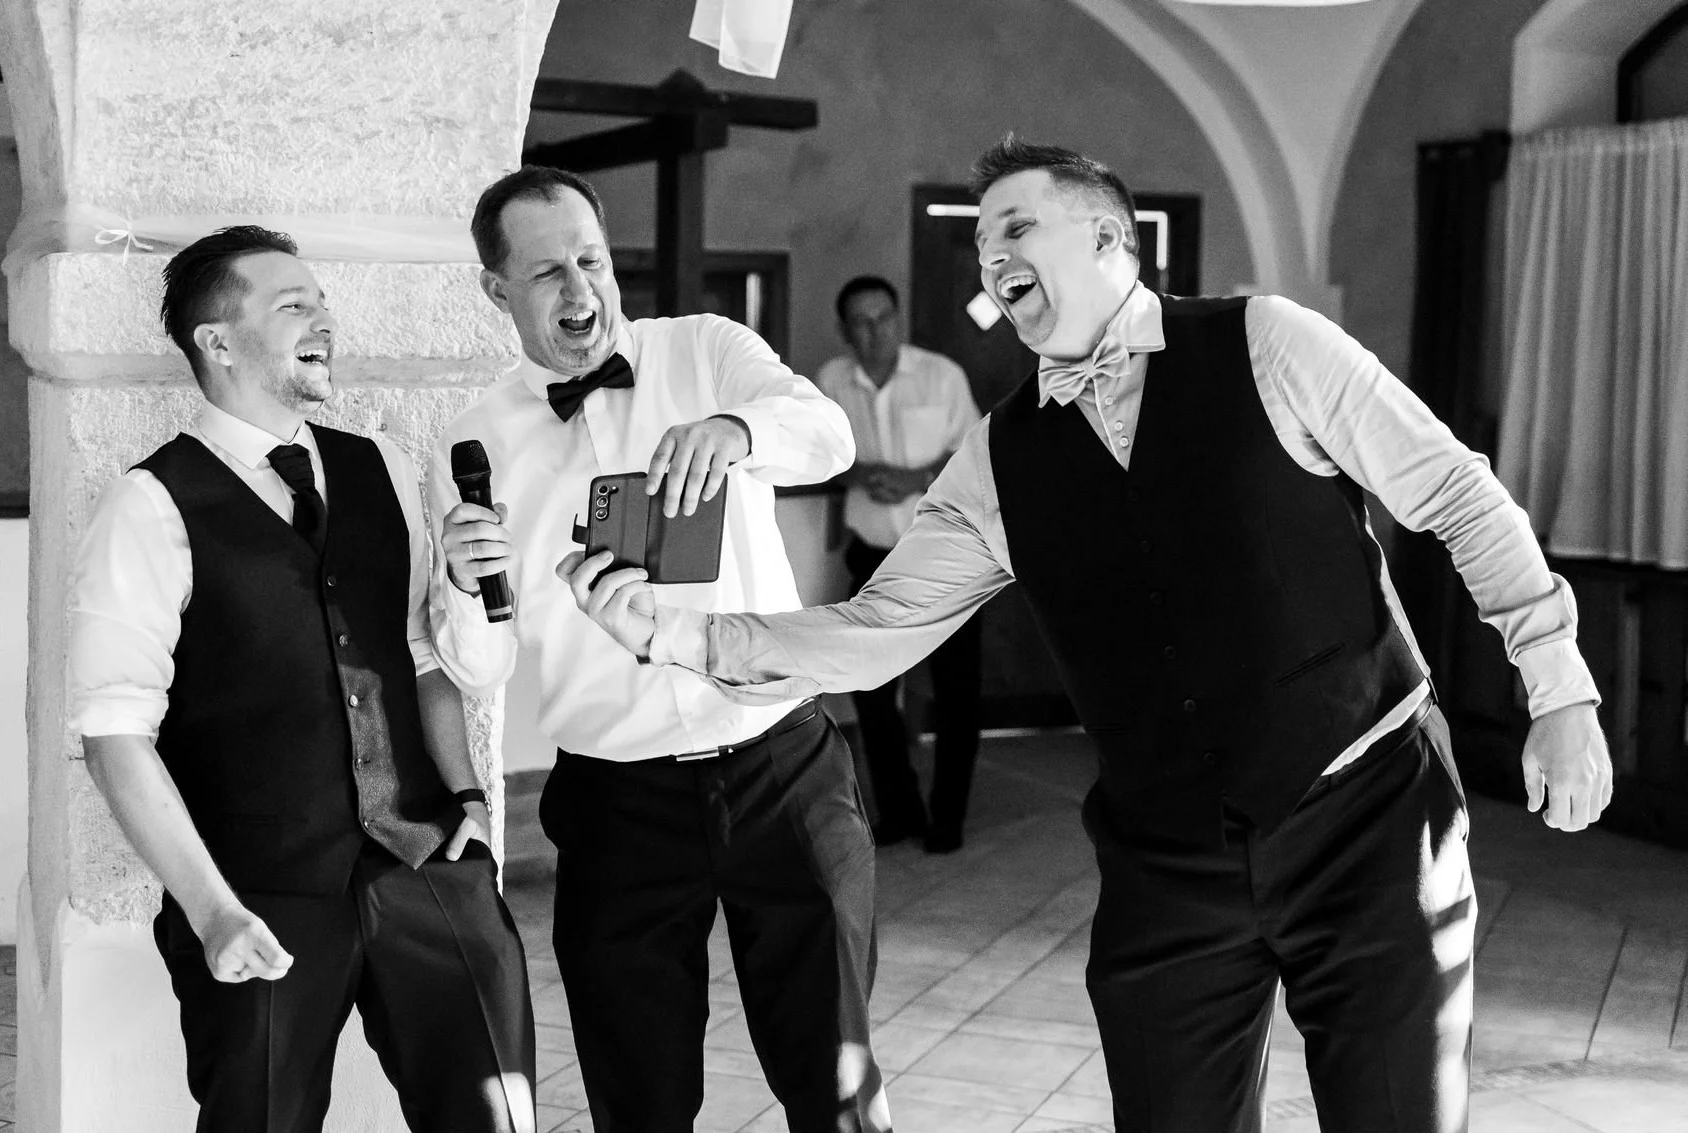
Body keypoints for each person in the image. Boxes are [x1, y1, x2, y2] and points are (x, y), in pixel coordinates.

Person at [558, 138, 1616, 1133]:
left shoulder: (1268, 340)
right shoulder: (996, 454)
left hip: (1368, 810)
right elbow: (878, 627)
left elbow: (1456, 494)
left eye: (1015, 227)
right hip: (1165, 851)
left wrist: (1558, 686)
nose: (991, 255)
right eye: (980, 243)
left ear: (1110, 237)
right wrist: (683, 636)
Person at [428, 166, 888, 1133]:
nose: (580, 291)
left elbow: (829, 436)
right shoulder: (471, 442)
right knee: (638, 1095)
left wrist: (738, 428)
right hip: (615, 799)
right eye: (547, 271)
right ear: (495, 288)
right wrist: (467, 589)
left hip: (779, 761)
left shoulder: (707, 349)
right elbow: (479, 665)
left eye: (591, 260)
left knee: (837, 1080)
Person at [69, 226, 536, 1133]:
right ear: (216, 340)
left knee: (497, 1118)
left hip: (428, 866)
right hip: (257, 893)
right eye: (293, 305)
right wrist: (212, 911)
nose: (325, 318)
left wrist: (473, 800)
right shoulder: (149, 505)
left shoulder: (385, 468)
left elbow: (423, 656)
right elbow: (113, 736)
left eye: (321, 300)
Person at [814, 276, 983, 851]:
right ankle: (901, 809)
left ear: (898, 317)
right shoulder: (832, 382)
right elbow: (815, 458)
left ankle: (948, 817)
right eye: (862, 322)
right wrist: (859, 473)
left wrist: (916, 476)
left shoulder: (941, 376)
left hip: (948, 555)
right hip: (872, 557)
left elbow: (978, 458)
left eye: (884, 317)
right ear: (844, 331)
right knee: (873, 691)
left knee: (956, 693)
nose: (875, 331)